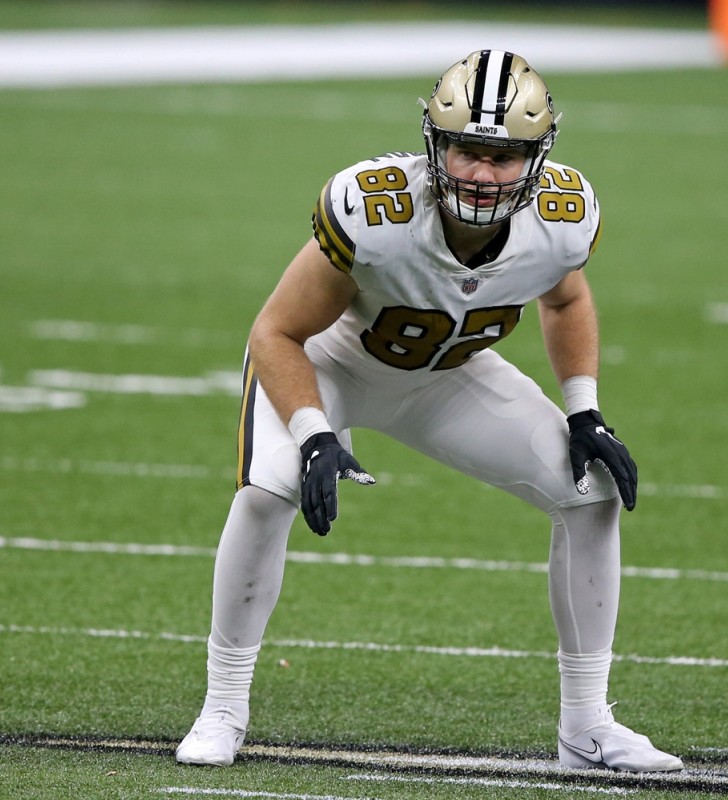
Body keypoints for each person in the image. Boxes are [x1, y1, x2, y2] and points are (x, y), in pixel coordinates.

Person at [175, 49, 683, 774]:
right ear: (434, 145)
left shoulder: (563, 217)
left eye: (504, 157)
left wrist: (584, 410)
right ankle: (222, 706)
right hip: (332, 363)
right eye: (466, 151)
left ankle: (587, 728)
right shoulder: (375, 210)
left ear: (539, 158)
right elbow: (276, 333)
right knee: (268, 492)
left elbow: (565, 297)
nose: (481, 172)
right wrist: (316, 435)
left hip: (447, 375)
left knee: (591, 493)